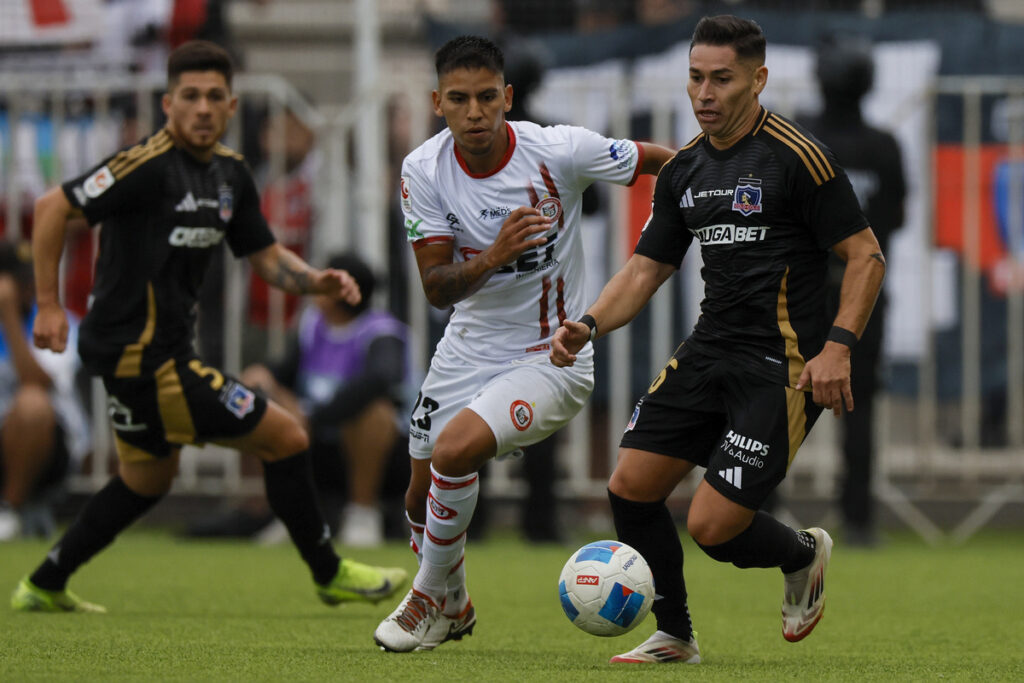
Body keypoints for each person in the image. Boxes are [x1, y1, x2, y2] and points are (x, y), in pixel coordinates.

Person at [10, 40, 406, 613]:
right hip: (141, 358)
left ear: (231, 106)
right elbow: (52, 208)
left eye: (213, 97)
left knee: (147, 479)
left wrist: (315, 280)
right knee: (286, 437)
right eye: (190, 96)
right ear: (168, 104)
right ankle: (329, 571)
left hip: (160, 355)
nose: (201, 107)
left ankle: (44, 582)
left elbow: (266, 257)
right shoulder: (144, 166)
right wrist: (48, 305)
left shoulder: (229, 174)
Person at [551, 15, 886, 663]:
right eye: (695, 78)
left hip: (783, 363)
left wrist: (838, 346)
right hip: (709, 350)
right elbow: (647, 268)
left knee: (711, 526)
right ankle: (674, 634)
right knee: (629, 487)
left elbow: (865, 254)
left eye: (721, 79)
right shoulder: (684, 170)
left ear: (757, 80)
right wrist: (588, 322)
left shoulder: (797, 157)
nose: (704, 93)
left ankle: (802, 552)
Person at [372, 35, 675, 652]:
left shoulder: (558, 150)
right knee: (417, 492)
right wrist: (495, 255)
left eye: (487, 97)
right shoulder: (422, 169)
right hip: (466, 345)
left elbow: (662, 159)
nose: (475, 112)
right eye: (459, 99)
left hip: (551, 355)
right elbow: (436, 288)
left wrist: (714, 203)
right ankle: (454, 606)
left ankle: (426, 597)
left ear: (507, 97)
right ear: (438, 102)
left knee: (455, 452)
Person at [797, 36, 906, 546]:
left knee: (779, 401)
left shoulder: (803, 139)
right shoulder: (884, 146)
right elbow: (896, 219)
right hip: (862, 294)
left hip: (804, 291)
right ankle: (858, 518)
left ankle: (755, 505)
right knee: (857, 403)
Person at [236, 251, 413, 547]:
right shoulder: (313, 325)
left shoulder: (382, 332)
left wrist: (315, 416)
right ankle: (283, 512)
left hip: (380, 456)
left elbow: (379, 381)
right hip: (316, 443)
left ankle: (362, 513)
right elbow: (284, 372)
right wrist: (262, 375)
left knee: (375, 412)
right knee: (261, 396)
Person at [0, 241, 90, 540]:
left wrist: (9, 317)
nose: (29, 288)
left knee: (32, 405)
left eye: (31, 279)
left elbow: (36, 382)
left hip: (49, 449)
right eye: (19, 281)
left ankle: (8, 511)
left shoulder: (56, 321)